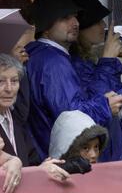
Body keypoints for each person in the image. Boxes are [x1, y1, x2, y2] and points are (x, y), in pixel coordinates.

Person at [25, 0, 122, 158]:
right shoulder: (52, 63)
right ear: (46, 27)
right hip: (62, 163)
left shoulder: (47, 57)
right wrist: (105, 107)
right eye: (65, 18)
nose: (75, 23)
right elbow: (72, 120)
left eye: (75, 16)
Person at [69, 0, 122, 161]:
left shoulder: (91, 59)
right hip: (97, 152)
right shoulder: (74, 64)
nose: (103, 25)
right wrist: (108, 59)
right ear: (82, 27)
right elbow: (97, 102)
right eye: (96, 21)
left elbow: (121, 95)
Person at [0, 54, 70, 182]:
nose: (9, 89)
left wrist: (42, 169)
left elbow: (31, 163)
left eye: (14, 81)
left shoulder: (15, 120)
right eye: (1, 81)